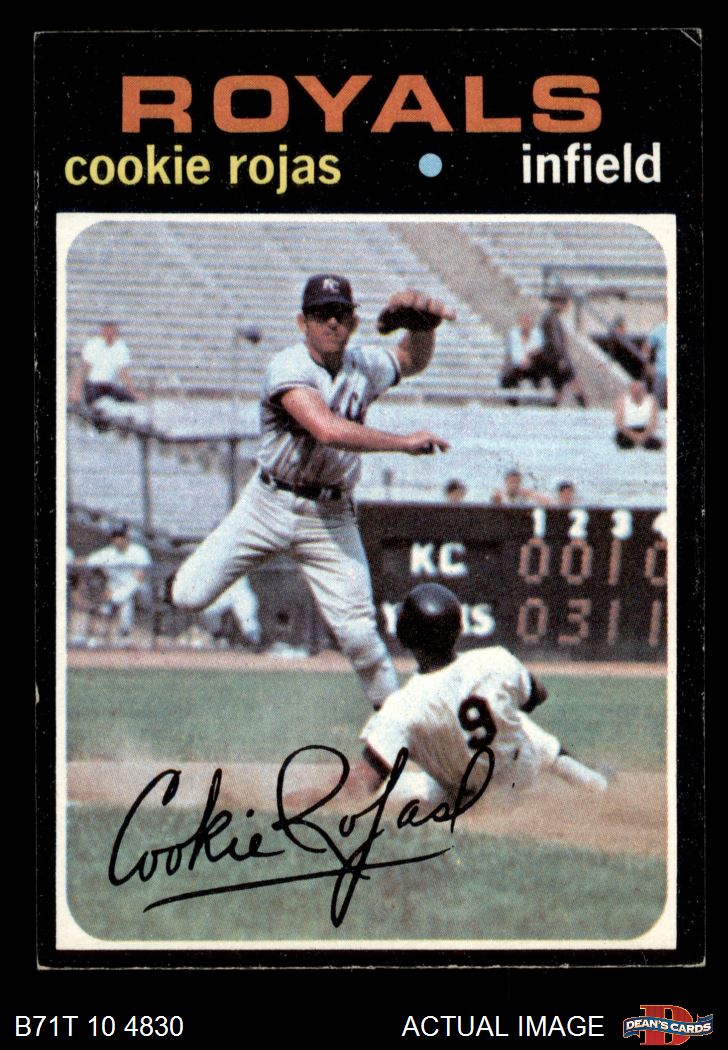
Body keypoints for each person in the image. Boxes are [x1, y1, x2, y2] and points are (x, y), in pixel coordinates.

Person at [171, 274, 455, 708]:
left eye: (340, 314)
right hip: (268, 503)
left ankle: (396, 732)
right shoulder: (289, 366)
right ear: (302, 322)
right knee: (187, 595)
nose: (332, 323)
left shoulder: (363, 364)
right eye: (321, 314)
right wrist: (402, 442)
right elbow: (326, 429)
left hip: (330, 517)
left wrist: (423, 330)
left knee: (360, 636)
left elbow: (410, 360)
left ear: (354, 321)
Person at [288, 584, 609, 811]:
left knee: (396, 785)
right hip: (520, 775)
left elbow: (362, 783)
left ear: (405, 637)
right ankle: (595, 783)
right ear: (457, 628)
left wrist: (314, 797)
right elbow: (537, 695)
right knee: (521, 725)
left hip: (468, 800)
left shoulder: (401, 707)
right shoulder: (495, 659)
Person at [84, 524, 152, 642]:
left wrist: (116, 595)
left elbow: (139, 578)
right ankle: (112, 637)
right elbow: (87, 561)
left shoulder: (139, 551)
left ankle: (122, 635)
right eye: (115, 536)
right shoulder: (108, 552)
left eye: (121, 536)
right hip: (115, 589)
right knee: (118, 603)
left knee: (124, 599)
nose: (118, 539)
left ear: (127, 537)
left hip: (138, 590)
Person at [532, 289, 588, 407]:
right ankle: (584, 406)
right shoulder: (552, 319)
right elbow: (556, 341)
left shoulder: (550, 316)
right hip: (557, 358)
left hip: (552, 357)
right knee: (572, 381)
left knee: (559, 387)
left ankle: (553, 407)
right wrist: (562, 358)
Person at [69, 321, 143, 406]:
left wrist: (133, 392)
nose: (109, 334)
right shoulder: (93, 344)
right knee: (92, 403)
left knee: (131, 400)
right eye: (107, 331)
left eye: (112, 332)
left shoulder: (121, 347)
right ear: (102, 331)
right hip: (94, 386)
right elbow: (84, 368)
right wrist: (75, 391)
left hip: (111, 386)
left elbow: (124, 372)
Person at [614, 379, 663, 450]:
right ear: (630, 390)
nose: (637, 392)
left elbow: (654, 423)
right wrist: (633, 436)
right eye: (634, 389)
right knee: (625, 444)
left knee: (656, 445)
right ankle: (636, 442)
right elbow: (619, 424)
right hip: (626, 431)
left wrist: (642, 436)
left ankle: (640, 442)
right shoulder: (622, 401)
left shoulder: (651, 401)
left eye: (639, 389)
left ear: (643, 390)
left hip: (644, 430)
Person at [499, 313, 544, 391]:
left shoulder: (537, 334)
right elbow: (513, 352)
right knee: (506, 377)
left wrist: (529, 357)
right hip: (518, 365)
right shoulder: (514, 334)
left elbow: (539, 349)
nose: (525, 324)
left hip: (533, 365)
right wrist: (521, 361)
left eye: (527, 322)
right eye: (523, 322)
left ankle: (538, 387)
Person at [641, 312, 668, 409]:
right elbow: (646, 347)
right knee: (657, 405)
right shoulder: (660, 329)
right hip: (662, 374)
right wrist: (647, 365)